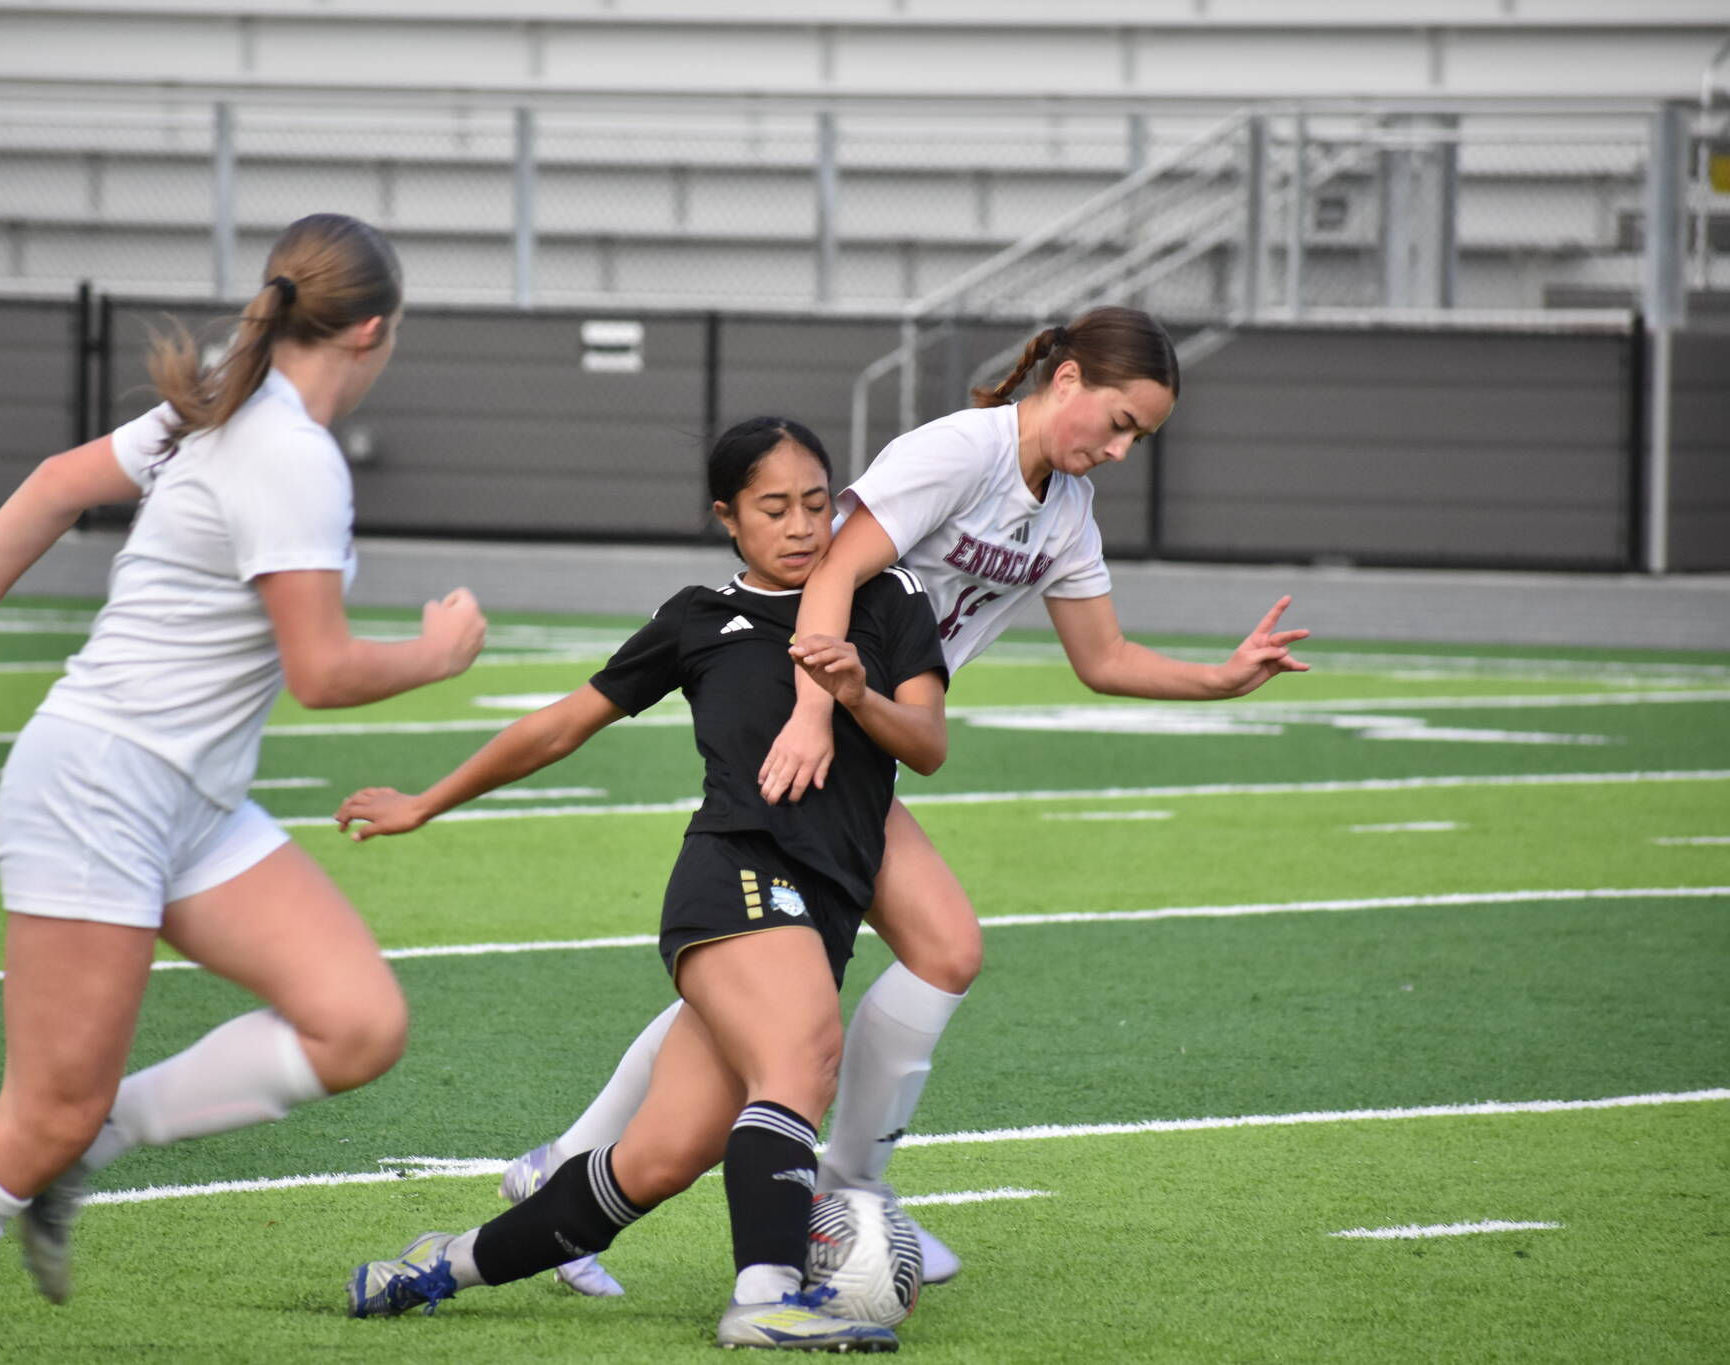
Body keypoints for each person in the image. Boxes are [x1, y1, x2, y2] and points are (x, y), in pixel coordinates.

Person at [0, 212, 487, 1365]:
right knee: (36, 1110)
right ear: (369, 331)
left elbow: (57, 484)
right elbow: (322, 670)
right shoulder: (288, 448)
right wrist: (438, 657)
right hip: (101, 784)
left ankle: (86, 1152)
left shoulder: (222, 393)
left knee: (356, 1024)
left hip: (189, 801)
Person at [499, 306, 1311, 1289]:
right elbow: (833, 564)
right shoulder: (957, 452)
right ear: (1063, 382)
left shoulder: (1065, 513)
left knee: (785, 975)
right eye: (1117, 419)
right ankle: (842, 1194)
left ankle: (576, 1163)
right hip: (814, 708)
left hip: (867, 729)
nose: (1119, 447)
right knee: (901, 953)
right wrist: (809, 714)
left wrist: (1221, 679)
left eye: (1138, 435)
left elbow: (1101, 659)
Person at [336, 417, 948, 1352]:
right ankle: (765, 1297)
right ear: (728, 519)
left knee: (658, 1160)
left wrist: (859, 692)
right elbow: (558, 726)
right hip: (736, 871)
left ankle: (436, 1263)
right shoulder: (699, 617)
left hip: (823, 905)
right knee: (802, 1058)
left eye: (818, 504)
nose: (800, 526)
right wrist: (427, 800)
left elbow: (929, 747)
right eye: (772, 508)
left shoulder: (892, 596)